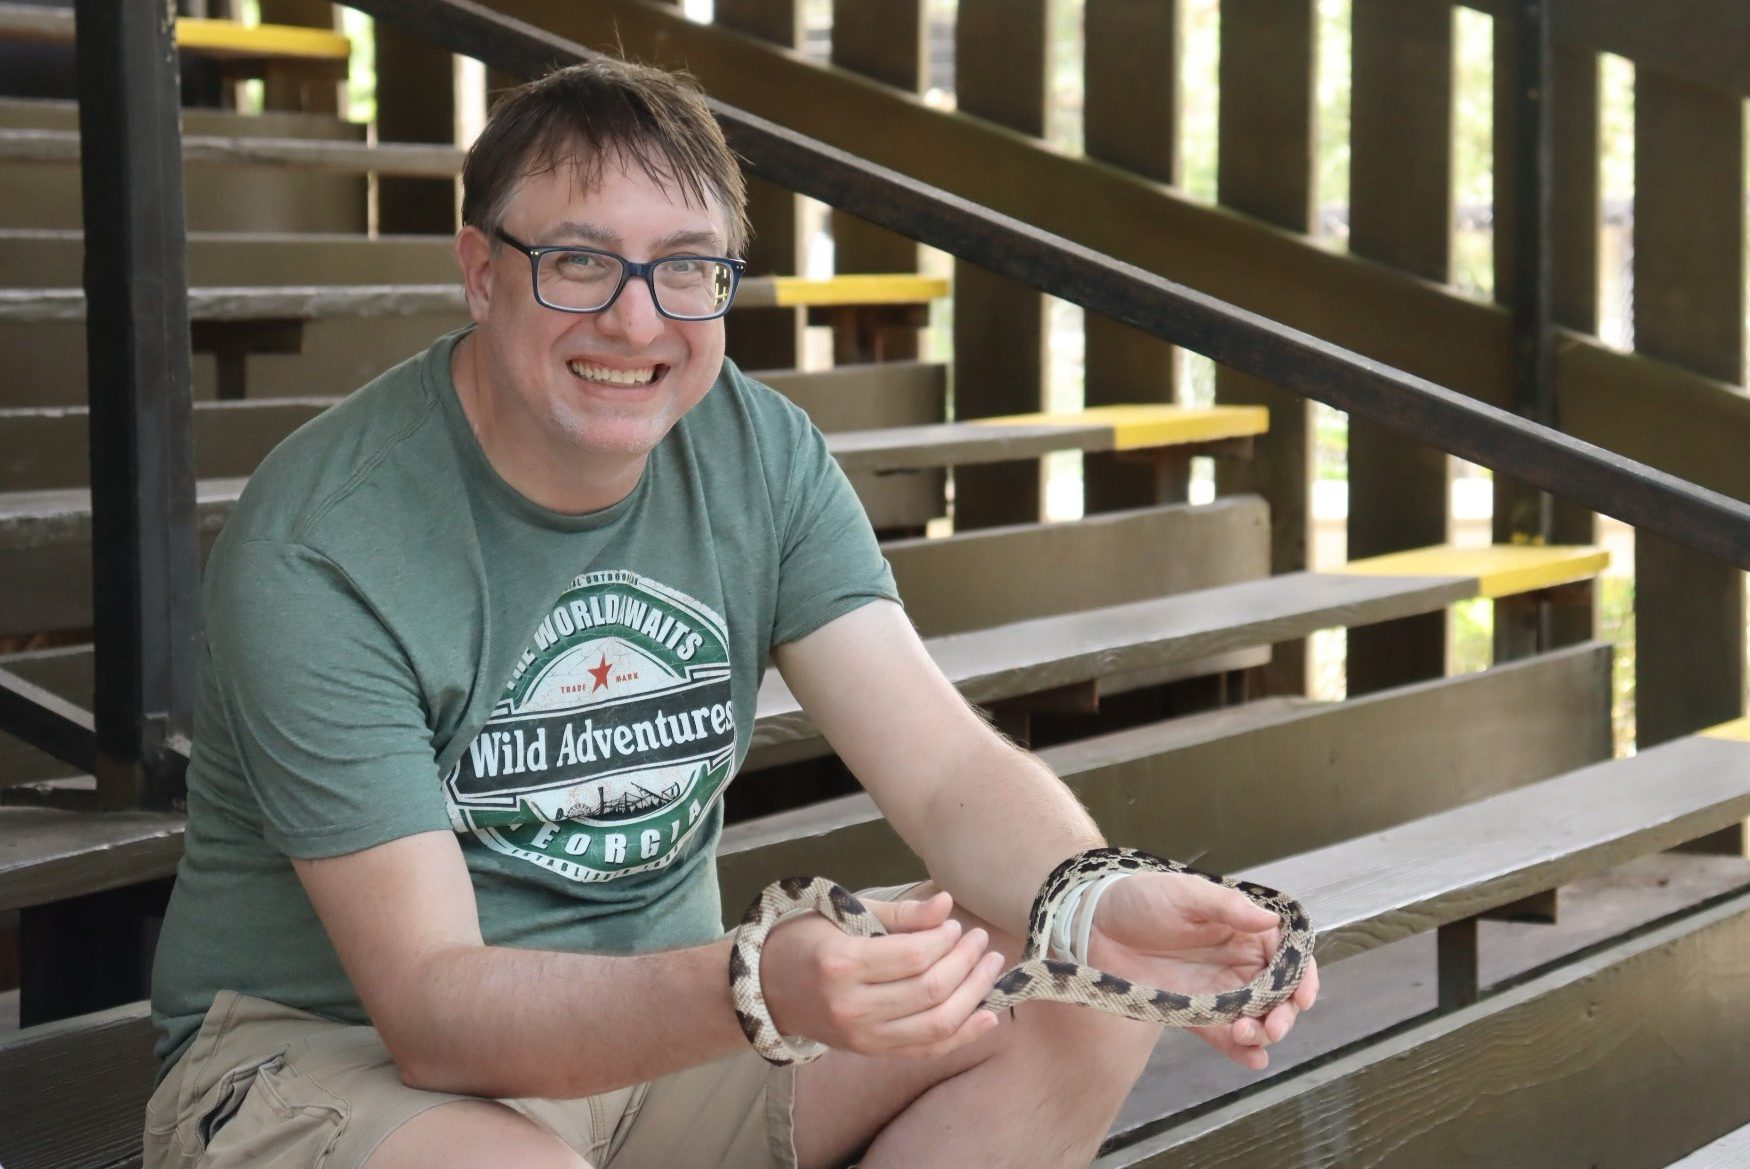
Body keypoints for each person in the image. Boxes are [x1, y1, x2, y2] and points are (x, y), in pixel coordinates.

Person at [142, 58, 1317, 1169]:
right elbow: (436, 1009)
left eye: (686, 266)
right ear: (481, 268)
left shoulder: (755, 449)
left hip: (656, 1042)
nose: (638, 321)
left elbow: (947, 766)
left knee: (1069, 986)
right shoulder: (327, 538)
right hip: (344, 1061)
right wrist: (758, 983)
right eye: (579, 262)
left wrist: (1096, 895)